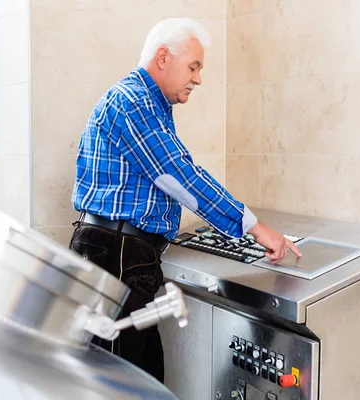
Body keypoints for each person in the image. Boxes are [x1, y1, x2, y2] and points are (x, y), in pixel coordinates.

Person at [69, 17, 302, 383]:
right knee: (118, 386)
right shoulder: (132, 101)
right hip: (114, 257)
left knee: (142, 382)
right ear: (163, 58)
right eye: (194, 66)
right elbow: (179, 176)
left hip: (125, 257)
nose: (198, 78)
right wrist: (255, 228)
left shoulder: (151, 105)